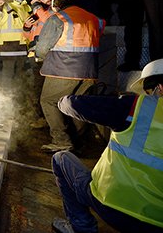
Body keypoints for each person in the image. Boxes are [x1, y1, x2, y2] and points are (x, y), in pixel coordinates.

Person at [50, 58, 163, 233]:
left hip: (112, 206)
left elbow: (74, 104)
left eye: (150, 90)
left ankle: (81, 228)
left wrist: (60, 102)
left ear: (160, 87)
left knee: (61, 159)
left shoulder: (136, 107)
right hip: (157, 223)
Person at [35, 0, 105, 153]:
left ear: (57, 5)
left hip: (63, 69)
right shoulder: (94, 18)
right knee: (77, 105)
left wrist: (40, 54)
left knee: (49, 101)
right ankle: (78, 142)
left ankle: (61, 141)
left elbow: (42, 49)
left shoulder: (58, 18)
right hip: (89, 71)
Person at [23, 0, 55, 129]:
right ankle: (39, 118)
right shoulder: (37, 14)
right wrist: (26, 27)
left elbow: (47, 20)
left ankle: (49, 120)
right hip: (35, 57)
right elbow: (28, 36)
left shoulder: (55, 12)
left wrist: (36, 7)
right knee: (35, 89)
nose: (47, 0)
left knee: (48, 92)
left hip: (49, 58)